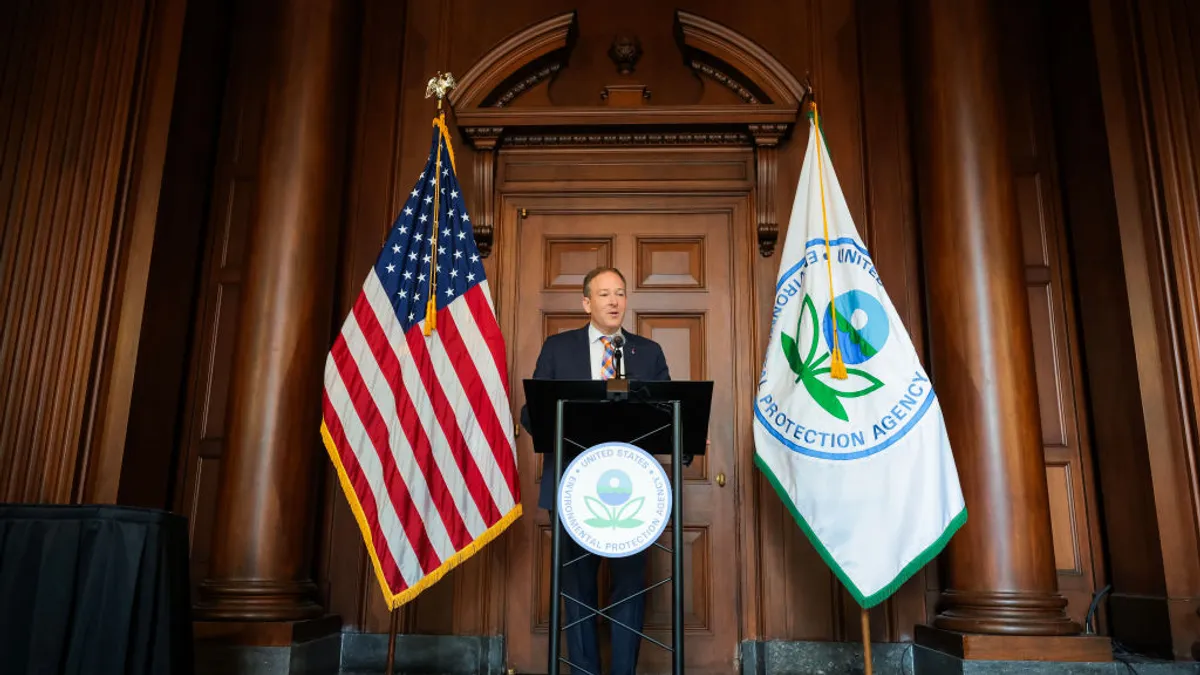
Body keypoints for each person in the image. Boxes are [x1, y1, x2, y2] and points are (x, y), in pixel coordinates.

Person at [520, 266, 670, 675]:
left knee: (628, 589)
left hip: (634, 489)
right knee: (578, 589)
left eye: (620, 293)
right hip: (572, 485)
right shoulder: (558, 348)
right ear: (587, 302)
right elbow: (532, 414)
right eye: (604, 294)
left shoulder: (648, 353)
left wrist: (685, 436)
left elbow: (668, 414)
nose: (614, 301)